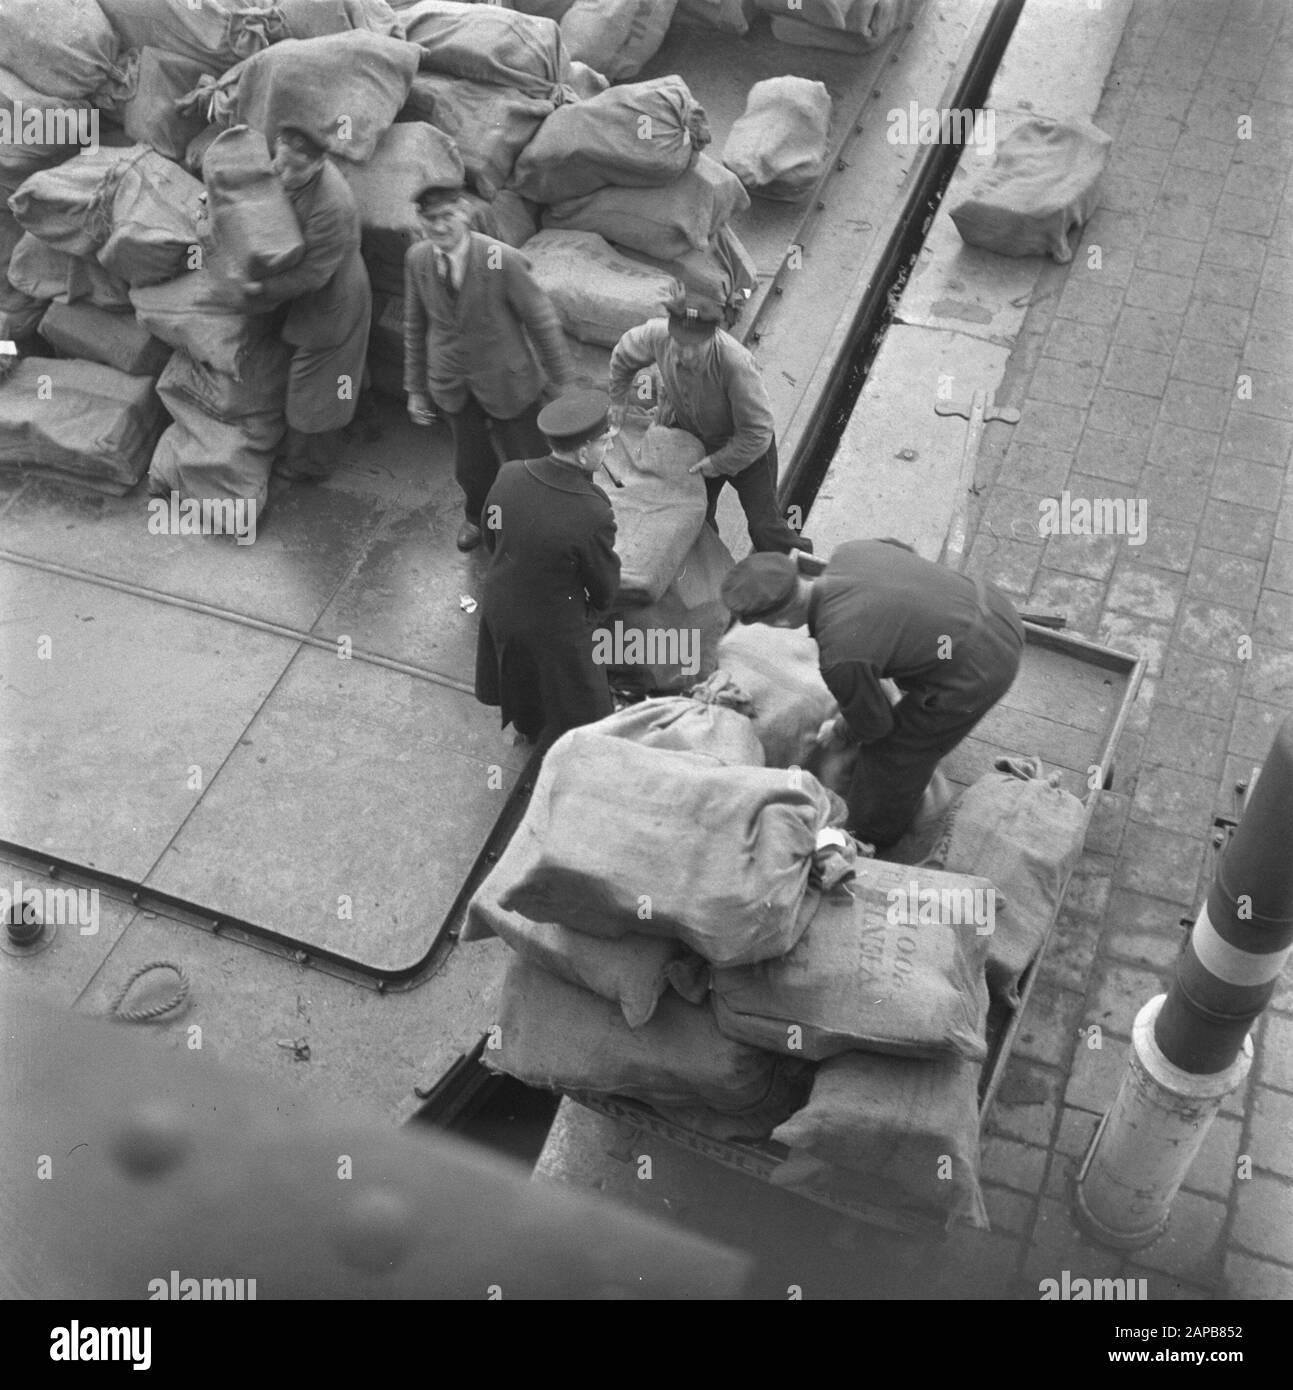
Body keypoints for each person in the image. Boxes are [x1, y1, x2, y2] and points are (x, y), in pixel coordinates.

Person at [721, 539, 1025, 849]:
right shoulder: (850, 552)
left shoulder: (840, 657)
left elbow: (876, 726)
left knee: (894, 754)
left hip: (981, 667)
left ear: (781, 620)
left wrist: (840, 729)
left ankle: (869, 837)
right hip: (993, 607)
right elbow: (904, 552)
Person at [403, 177, 574, 551]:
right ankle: (477, 519)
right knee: (471, 464)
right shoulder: (417, 259)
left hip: (508, 381)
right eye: (430, 219)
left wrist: (562, 385)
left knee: (528, 460)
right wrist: (415, 387)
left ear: (464, 212)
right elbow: (415, 324)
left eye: (447, 215)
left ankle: (537, 526)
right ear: (420, 222)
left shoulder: (500, 259)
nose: (440, 226)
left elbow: (541, 320)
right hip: (452, 383)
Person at [607, 290, 811, 556]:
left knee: (765, 527)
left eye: (695, 347)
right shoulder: (656, 335)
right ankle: (714, 574)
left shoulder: (736, 363)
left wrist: (718, 463)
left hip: (746, 449)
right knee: (696, 518)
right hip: (694, 443)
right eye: (680, 344)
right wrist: (618, 399)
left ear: (712, 336)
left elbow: (758, 432)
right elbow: (623, 354)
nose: (685, 355)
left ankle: (802, 570)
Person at [474, 388, 621, 747]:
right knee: (582, 699)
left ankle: (528, 726)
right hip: (553, 624)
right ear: (584, 451)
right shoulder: (592, 511)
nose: (611, 449)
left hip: (501, 608)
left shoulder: (510, 474)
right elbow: (603, 587)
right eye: (606, 442)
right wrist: (590, 616)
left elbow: (491, 536)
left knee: (522, 680)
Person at [244, 126, 371, 482]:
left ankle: (308, 468)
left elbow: (312, 276)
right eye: (278, 162)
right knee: (343, 372)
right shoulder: (290, 173)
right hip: (313, 290)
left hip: (333, 296)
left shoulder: (332, 205)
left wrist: (256, 290)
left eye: (293, 169)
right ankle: (365, 421)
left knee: (312, 389)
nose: (280, 174)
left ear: (319, 164)